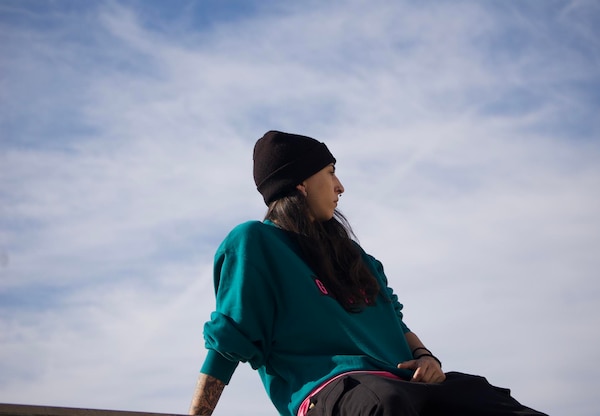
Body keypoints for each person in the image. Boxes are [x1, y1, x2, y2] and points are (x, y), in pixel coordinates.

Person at [189, 131, 548, 416]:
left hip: (407, 384)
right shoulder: (255, 243)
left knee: (485, 398)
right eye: (330, 173)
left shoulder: (354, 256)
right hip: (330, 393)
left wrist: (426, 357)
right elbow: (228, 342)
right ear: (300, 183)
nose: (340, 185)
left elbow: (395, 319)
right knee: (385, 401)